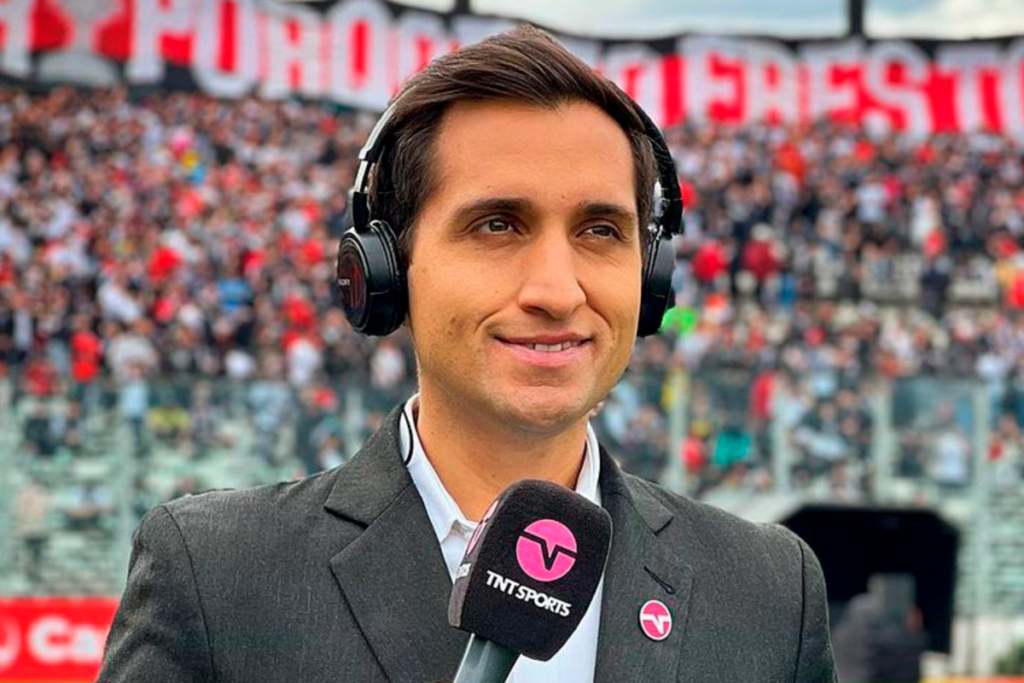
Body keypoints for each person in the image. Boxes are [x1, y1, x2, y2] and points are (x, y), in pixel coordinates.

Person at [97, 25, 836, 683]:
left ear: (650, 280)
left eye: (600, 231)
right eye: (497, 225)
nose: (556, 289)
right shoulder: (215, 573)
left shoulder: (771, 589)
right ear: (384, 270)